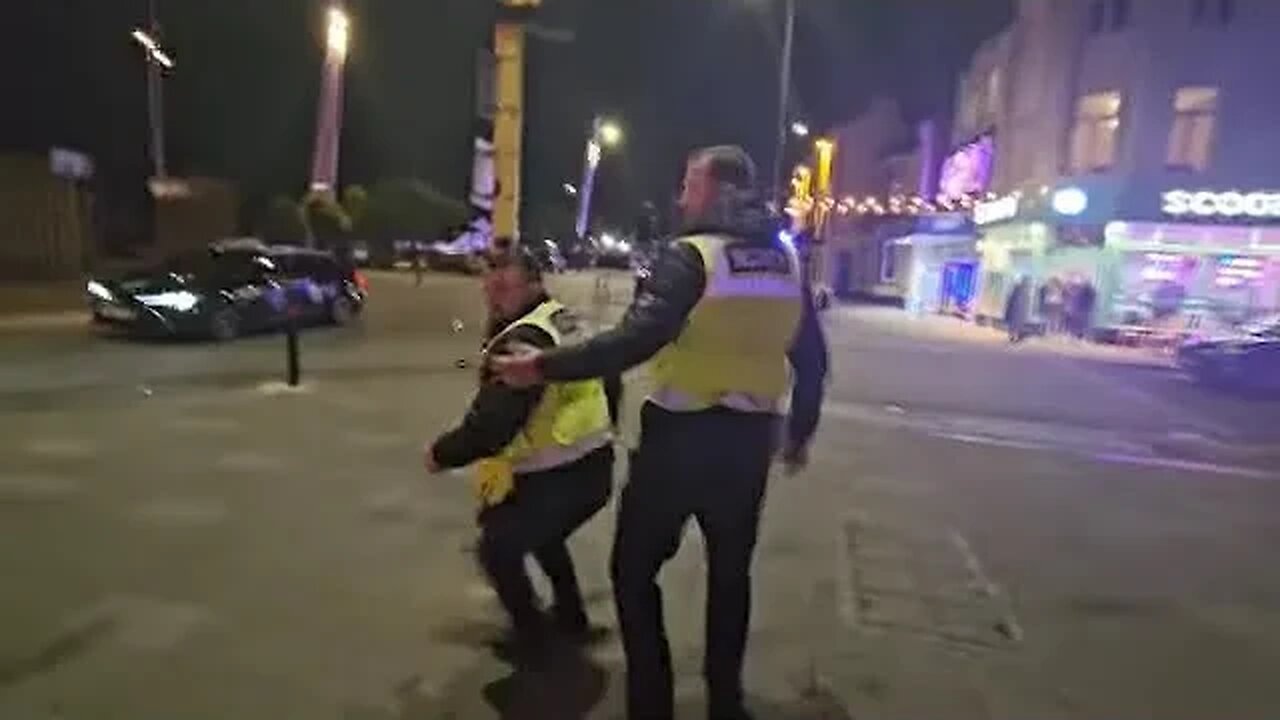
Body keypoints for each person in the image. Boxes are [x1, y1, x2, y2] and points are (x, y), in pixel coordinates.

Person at [492, 145, 829, 720]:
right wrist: (798, 435)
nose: (681, 196)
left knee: (633, 571)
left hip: (679, 443)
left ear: (716, 189)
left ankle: (653, 704)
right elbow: (813, 361)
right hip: (749, 448)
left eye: (690, 183)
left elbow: (632, 342)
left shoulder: (691, 257)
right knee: (731, 576)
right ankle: (726, 704)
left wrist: (541, 366)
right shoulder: (787, 266)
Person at [423, 246, 620, 660]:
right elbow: (609, 377)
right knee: (544, 537)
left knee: (496, 550)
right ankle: (571, 619)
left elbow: (492, 425)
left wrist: (442, 454)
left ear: (534, 284)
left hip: (557, 474)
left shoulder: (522, 341)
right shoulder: (562, 319)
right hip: (591, 467)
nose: (495, 297)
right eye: (491, 287)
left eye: (506, 287)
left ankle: (533, 640)